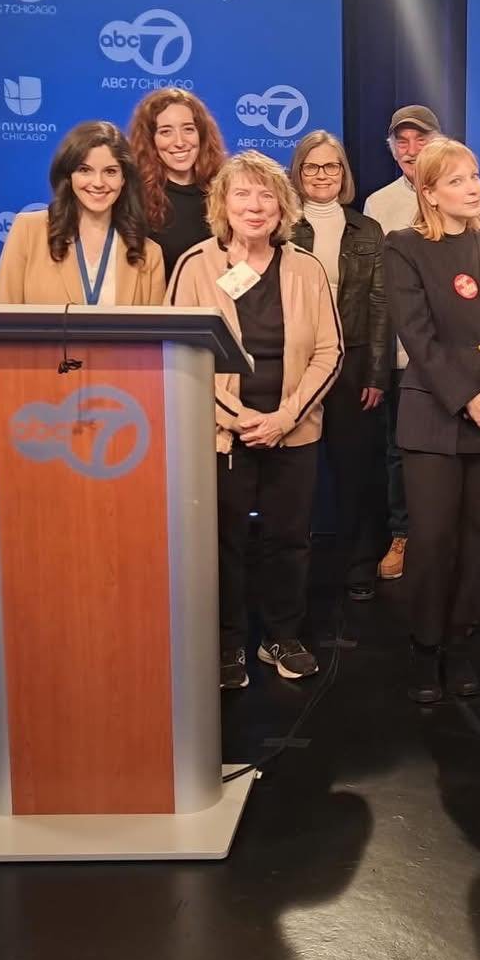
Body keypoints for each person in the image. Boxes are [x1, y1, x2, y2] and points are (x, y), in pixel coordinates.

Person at [167, 151, 342, 689]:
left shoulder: (306, 268)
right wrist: (240, 418)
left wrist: (285, 417)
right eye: (242, 194)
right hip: (223, 435)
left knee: (289, 538)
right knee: (223, 541)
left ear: (283, 206)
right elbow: (180, 351)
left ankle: (281, 636)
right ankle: (225, 643)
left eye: (267, 194)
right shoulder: (195, 266)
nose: (255, 205)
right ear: (222, 204)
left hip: (295, 430)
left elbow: (330, 352)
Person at [384, 137, 480, 703]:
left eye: (475, 176)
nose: (475, 187)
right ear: (429, 193)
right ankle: (425, 648)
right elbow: (416, 335)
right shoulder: (403, 247)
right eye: (458, 180)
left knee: (477, 541)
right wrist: (467, 396)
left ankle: (460, 643)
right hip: (434, 419)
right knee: (433, 538)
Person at [289, 131, 389, 603]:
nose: (322, 176)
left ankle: (358, 566)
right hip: (296, 367)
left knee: (357, 474)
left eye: (331, 167)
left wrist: (376, 374)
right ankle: (299, 569)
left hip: (353, 368)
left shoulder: (367, 229)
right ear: (299, 174)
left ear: (344, 174)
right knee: (297, 475)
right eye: (312, 167)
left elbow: (380, 305)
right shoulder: (281, 226)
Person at [363, 105, 442, 582]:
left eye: (420, 139)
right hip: (400, 351)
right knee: (398, 448)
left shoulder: (457, 186)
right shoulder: (378, 203)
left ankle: (440, 540)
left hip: (449, 350)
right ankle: (403, 534)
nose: (411, 150)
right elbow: (379, 288)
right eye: (401, 141)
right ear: (391, 148)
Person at [0, 121, 163, 305]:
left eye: (110, 171)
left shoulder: (148, 253)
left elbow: (151, 333)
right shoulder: (28, 231)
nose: (98, 182)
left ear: (124, 179)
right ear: (68, 176)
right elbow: (3, 320)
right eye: (85, 170)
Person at [128, 88, 228, 277]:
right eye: (166, 132)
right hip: (159, 304)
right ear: (151, 140)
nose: (180, 142)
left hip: (217, 303)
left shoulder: (225, 191)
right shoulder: (134, 198)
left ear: (202, 134)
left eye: (188, 129)